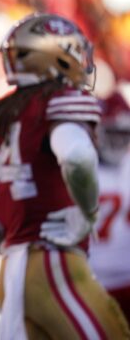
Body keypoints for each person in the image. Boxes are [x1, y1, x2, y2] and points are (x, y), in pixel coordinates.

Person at [0, 12, 130, 339]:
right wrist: (86, 213)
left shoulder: (3, 117)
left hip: (15, 271)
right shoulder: (58, 106)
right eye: (73, 52)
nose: (82, 62)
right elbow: (76, 157)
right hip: (54, 267)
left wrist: (8, 245)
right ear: (53, 59)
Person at [89, 91, 130, 323]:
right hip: (91, 282)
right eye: (112, 132)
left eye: (124, 134)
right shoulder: (80, 167)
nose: (118, 141)